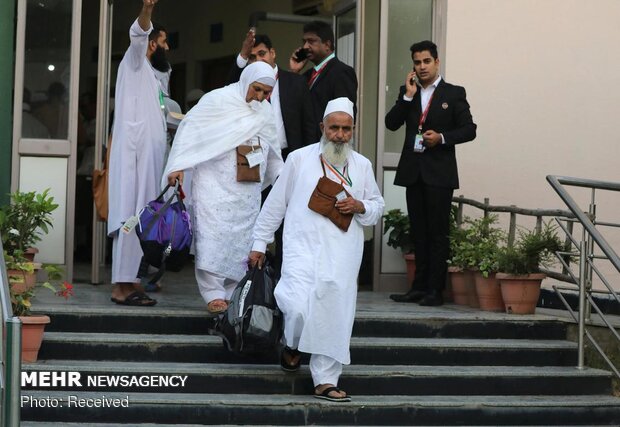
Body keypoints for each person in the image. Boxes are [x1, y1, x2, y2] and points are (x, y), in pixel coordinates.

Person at [248, 97, 384, 402]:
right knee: (294, 306)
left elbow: (376, 207)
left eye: (345, 129)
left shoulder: (362, 165)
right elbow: (275, 205)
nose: (339, 134)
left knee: (333, 315)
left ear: (352, 130)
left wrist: (360, 205)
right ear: (322, 127)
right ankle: (293, 345)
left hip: (343, 256)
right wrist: (259, 242)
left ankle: (325, 379)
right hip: (301, 250)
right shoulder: (298, 159)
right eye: (333, 128)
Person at [163, 61, 283, 314]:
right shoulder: (217, 100)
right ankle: (213, 292)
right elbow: (189, 133)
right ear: (246, 80)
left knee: (242, 240)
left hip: (248, 189)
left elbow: (273, 150)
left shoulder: (265, 111)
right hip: (212, 182)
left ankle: (233, 291)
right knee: (212, 238)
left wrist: (283, 178)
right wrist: (178, 166)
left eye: (265, 93)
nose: (259, 97)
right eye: (256, 89)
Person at [386, 40, 477, 306]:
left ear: (437, 62)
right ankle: (418, 287)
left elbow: (469, 129)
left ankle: (435, 291)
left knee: (437, 233)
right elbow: (391, 124)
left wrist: (442, 137)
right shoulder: (409, 91)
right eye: (417, 62)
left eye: (427, 61)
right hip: (414, 171)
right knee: (418, 232)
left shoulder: (454, 93)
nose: (422, 66)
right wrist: (407, 97)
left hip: (439, 173)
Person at [107, 0, 171, 306]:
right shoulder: (134, 61)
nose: (166, 46)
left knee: (140, 220)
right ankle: (123, 287)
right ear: (151, 44)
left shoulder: (150, 73)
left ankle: (131, 282)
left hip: (147, 161)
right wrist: (147, 10)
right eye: (163, 41)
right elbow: (138, 33)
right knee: (130, 219)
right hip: (134, 160)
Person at [228, 30, 316, 159]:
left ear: (272, 53)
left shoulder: (296, 82)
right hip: (254, 156)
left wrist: (309, 159)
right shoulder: (245, 84)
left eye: (262, 54)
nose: (258, 60)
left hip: (289, 155)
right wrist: (242, 56)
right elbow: (229, 87)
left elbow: (309, 126)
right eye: (252, 57)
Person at [288, 21, 358, 142]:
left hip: (328, 147)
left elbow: (344, 115)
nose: (305, 47)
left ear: (327, 44)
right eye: (304, 42)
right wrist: (294, 72)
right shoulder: (305, 76)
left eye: (311, 41)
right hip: (305, 147)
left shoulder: (342, 72)